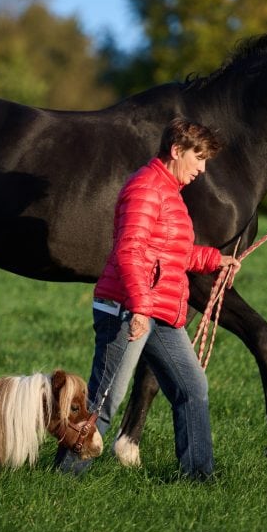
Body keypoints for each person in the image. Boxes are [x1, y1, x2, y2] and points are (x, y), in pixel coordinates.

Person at [56, 117, 241, 481]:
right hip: (128, 309)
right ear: (176, 151)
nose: (202, 169)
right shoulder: (145, 188)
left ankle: (198, 477)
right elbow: (130, 251)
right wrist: (140, 307)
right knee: (107, 399)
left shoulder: (169, 193)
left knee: (192, 387)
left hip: (158, 310)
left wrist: (215, 260)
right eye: (199, 158)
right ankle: (64, 476)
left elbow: (173, 254)